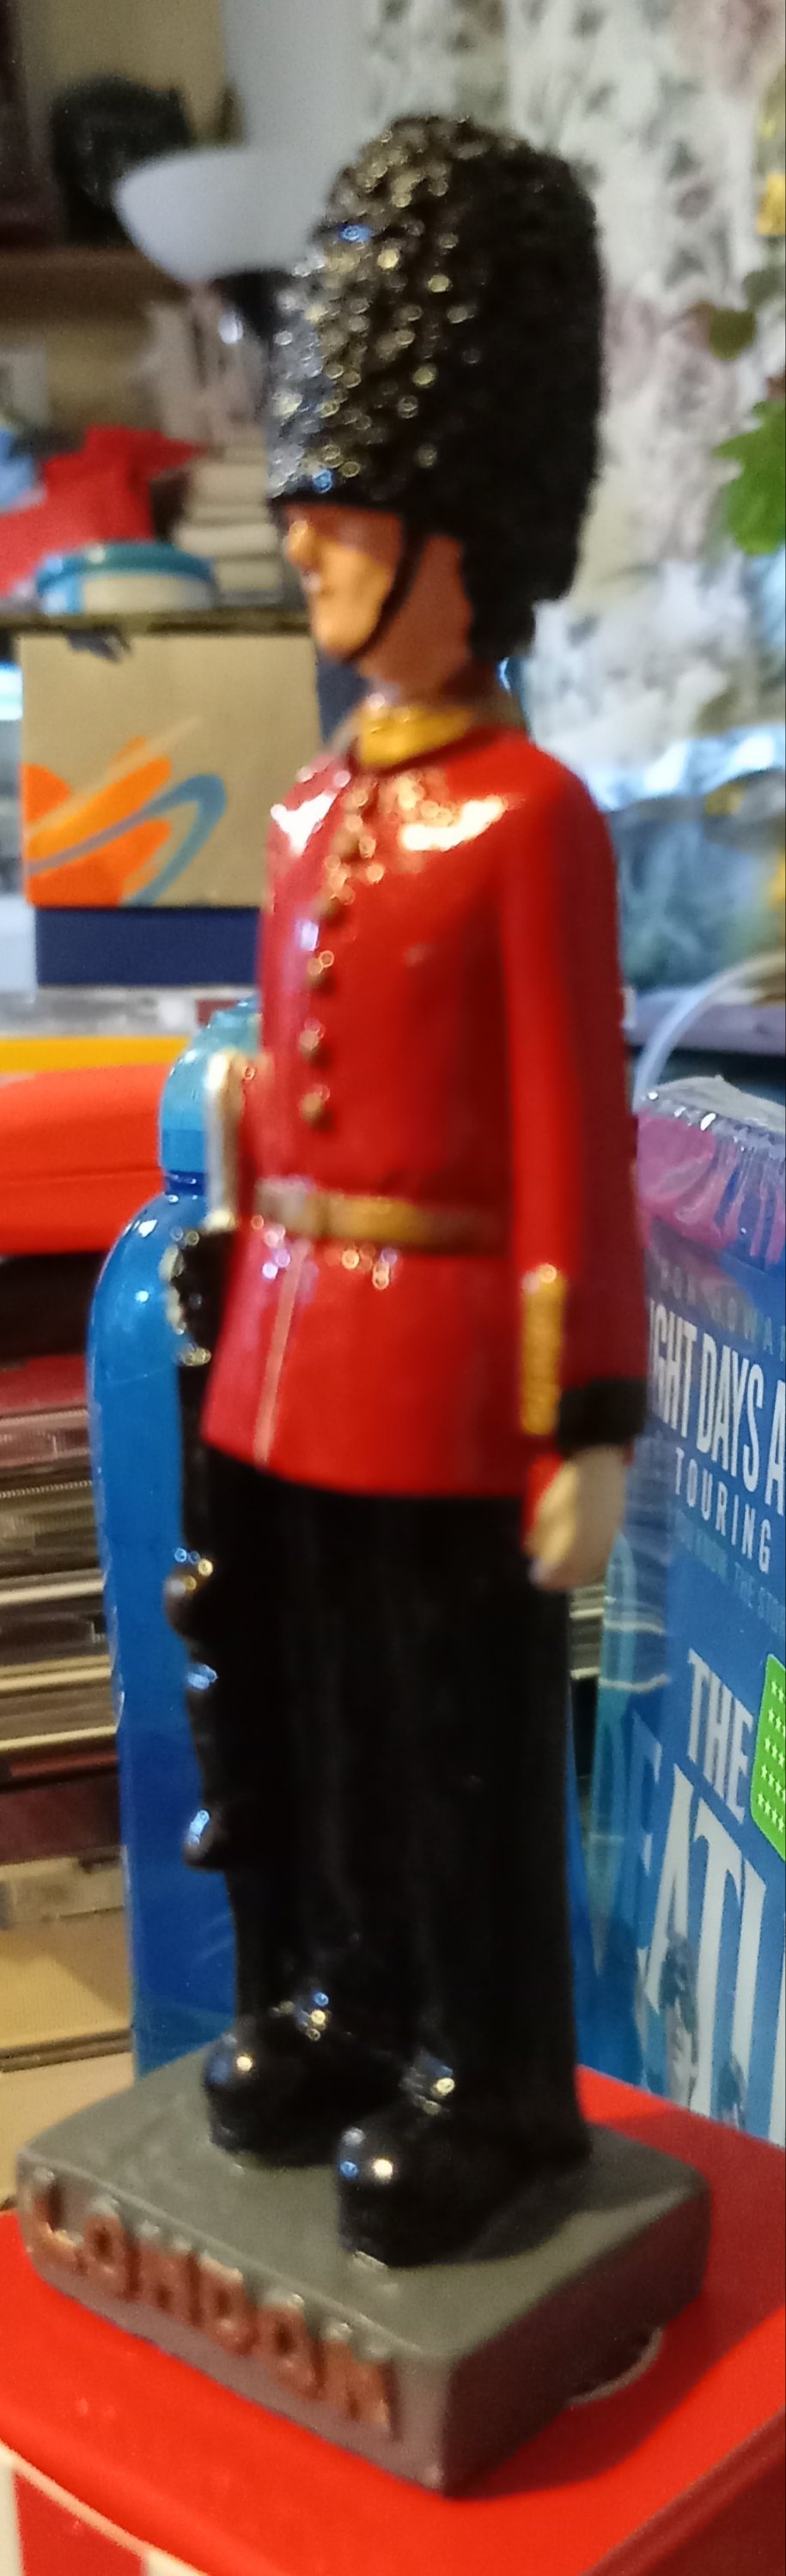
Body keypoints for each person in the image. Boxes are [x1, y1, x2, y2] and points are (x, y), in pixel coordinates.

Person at [167, 115, 648, 2267]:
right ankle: (352, 2002)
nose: (312, 554)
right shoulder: (304, 819)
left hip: (453, 1372)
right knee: (334, 1720)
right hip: (294, 1354)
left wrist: (588, 1415)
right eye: (312, 515)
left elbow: (573, 1139)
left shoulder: (530, 822)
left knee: (462, 1743)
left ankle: (495, 2079)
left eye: (347, 518)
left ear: (459, 543)